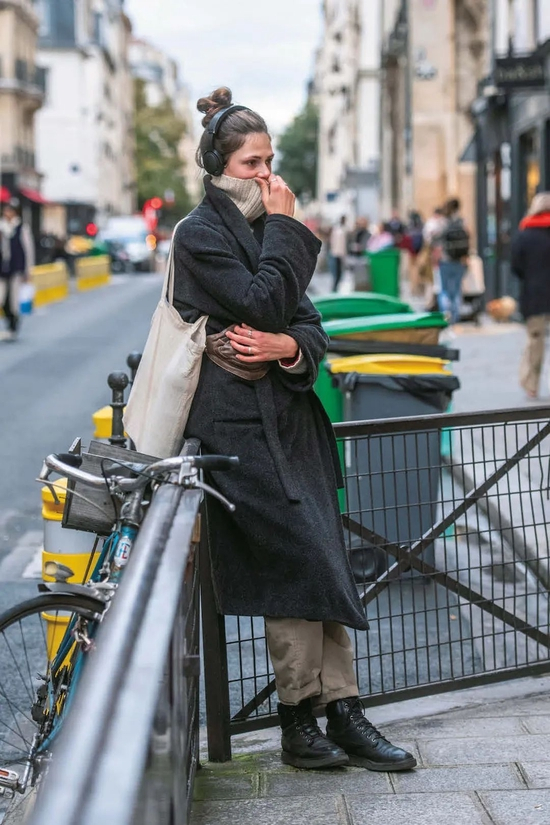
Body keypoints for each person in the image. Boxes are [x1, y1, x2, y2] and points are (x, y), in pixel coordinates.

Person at [172, 86, 415, 772]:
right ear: (218, 167)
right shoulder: (199, 235)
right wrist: (285, 229)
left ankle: (339, 710)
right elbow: (260, 301)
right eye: (252, 163)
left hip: (291, 420)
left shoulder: (260, 227)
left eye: (269, 161)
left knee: (322, 559)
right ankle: (301, 717)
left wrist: (286, 346)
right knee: (299, 561)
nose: (267, 176)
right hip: (238, 432)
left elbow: (305, 322)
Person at [511, 192, 550, 399]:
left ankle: (531, 385)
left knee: (535, 340)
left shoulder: (524, 234)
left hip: (535, 295)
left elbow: (516, 267)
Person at [0, 199, 34, 340]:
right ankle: (9, 324)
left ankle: (13, 327)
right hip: (2, 269)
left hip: (16, 269)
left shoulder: (22, 228)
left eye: (10, 211)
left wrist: (28, 271)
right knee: (2, 299)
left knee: (14, 301)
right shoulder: (1, 228)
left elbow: (28, 250)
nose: (7, 213)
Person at [438, 198, 470, 324]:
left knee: (444, 290)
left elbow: (436, 241)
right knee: (456, 290)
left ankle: (445, 316)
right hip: (459, 261)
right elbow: (468, 238)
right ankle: (455, 317)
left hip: (445, 260)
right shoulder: (462, 222)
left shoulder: (443, 222)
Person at [329, 215, 347, 292]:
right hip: (336, 254)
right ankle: (334, 288)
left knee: (339, 273)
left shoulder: (342, 230)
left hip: (339, 254)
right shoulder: (338, 230)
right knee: (337, 273)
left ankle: (335, 288)